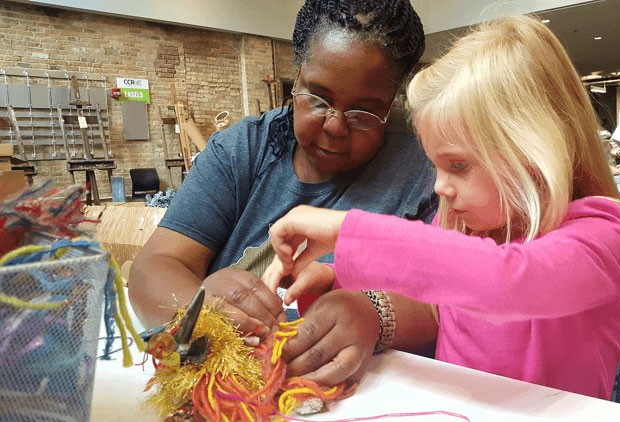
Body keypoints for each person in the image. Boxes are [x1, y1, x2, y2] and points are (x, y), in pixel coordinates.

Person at [263, 15, 620, 400]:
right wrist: (334, 276)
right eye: (436, 164)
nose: (439, 186)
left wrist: (346, 230)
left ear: (533, 152)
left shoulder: (604, 232)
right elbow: (432, 282)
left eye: (459, 165)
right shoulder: (463, 225)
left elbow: (508, 283)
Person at [128, 0, 437, 338]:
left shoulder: (429, 168)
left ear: (393, 100)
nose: (335, 127)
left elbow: (452, 311)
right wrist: (201, 310)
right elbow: (154, 268)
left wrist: (377, 317)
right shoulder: (243, 150)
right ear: (298, 76)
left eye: (363, 113)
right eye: (318, 98)